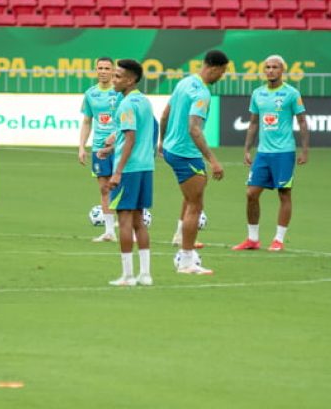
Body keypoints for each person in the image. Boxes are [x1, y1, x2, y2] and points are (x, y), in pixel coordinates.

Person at [159, 50, 229, 275]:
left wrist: (162, 142)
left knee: (191, 198)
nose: (222, 76)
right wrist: (213, 160)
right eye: (223, 72)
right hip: (185, 153)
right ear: (216, 68)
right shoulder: (202, 93)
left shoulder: (184, 82)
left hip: (172, 148)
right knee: (195, 206)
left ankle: (181, 239)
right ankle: (186, 260)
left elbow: (164, 115)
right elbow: (194, 128)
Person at [233, 55, 309, 253]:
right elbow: (254, 122)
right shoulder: (258, 93)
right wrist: (247, 149)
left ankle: (278, 239)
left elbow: (302, 121)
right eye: (267, 67)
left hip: (284, 152)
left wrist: (304, 150)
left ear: (282, 70)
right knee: (251, 193)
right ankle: (252, 238)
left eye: (275, 67)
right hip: (263, 153)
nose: (270, 70)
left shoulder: (292, 94)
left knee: (284, 194)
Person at [106, 59, 155, 287]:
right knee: (139, 221)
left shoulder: (126, 105)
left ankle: (127, 276)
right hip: (145, 167)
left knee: (124, 220)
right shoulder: (144, 101)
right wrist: (110, 148)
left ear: (131, 80)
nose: (113, 80)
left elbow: (131, 138)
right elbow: (148, 131)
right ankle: (145, 274)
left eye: (118, 76)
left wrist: (117, 171)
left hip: (130, 169)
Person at [78, 57, 119, 242]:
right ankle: (109, 231)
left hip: (120, 147)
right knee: (104, 188)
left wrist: (117, 136)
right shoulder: (90, 94)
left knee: (123, 186)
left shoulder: (119, 93)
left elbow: (129, 119)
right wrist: (81, 147)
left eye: (107, 68)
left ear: (113, 71)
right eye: (100, 68)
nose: (103, 71)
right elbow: (87, 121)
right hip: (98, 148)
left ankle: (131, 227)